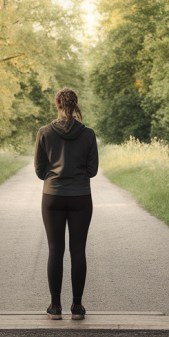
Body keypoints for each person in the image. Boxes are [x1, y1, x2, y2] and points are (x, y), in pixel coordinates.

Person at [34, 87, 98, 320]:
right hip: (81, 197)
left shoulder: (44, 132)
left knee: (55, 249)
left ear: (57, 104)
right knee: (78, 250)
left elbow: (40, 172)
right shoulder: (88, 134)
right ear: (75, 105)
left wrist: (55, 173)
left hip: (52, 196)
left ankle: (55, 307)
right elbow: (92, 171)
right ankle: (78, 307)